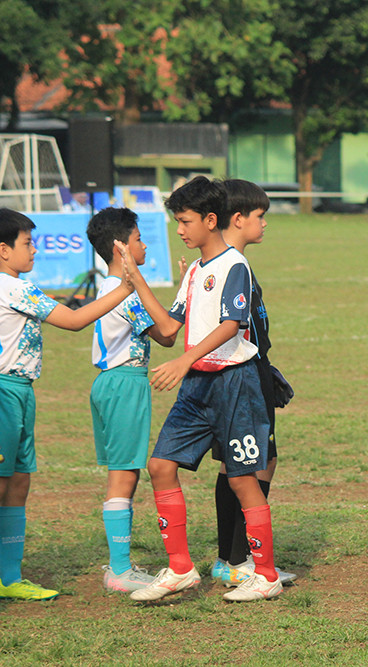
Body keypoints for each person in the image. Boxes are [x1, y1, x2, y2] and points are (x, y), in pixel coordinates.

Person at [122, 176, 281, 602]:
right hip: (197, 387)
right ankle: (180, 568)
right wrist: (136, 281)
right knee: (160, 466)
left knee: (242, 479)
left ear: (211, 220)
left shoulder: (235, 266)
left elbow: (232, 325)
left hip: (234, 384)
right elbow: (169, 329)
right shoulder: (194, 271)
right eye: (177, 221)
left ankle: (265, 575)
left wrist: (183, 361)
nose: (179, 230)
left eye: (185, 221)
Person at [0, 208, 135, 601]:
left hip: (21, 391)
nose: (34, 251)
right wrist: (125, 289)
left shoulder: (14, 287)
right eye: (27, 243)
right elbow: (74, 321)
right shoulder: (13, 288)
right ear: (3, 250)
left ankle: (9, 577)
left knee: (18, 482)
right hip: (5, 393)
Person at [199, 180, 296, 589]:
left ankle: (231, 558)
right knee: (253, 464)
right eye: (260, 216)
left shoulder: (229, 263)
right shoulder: (233, 265)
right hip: (243, 376)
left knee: (240, 463)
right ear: (237, 219)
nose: (265, 223)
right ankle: (238, 559)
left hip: (249, 371)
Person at [85, 208, 177, 593]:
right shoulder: (124, 293)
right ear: (120, 247)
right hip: (124, 382)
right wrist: (185, 296)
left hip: (114, 382)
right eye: (139, 239)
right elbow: (168, 334)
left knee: (124, 472)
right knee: (123, 475)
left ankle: (121, 566)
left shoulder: (110, 289)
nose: (145, 245)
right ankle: (120, 570)